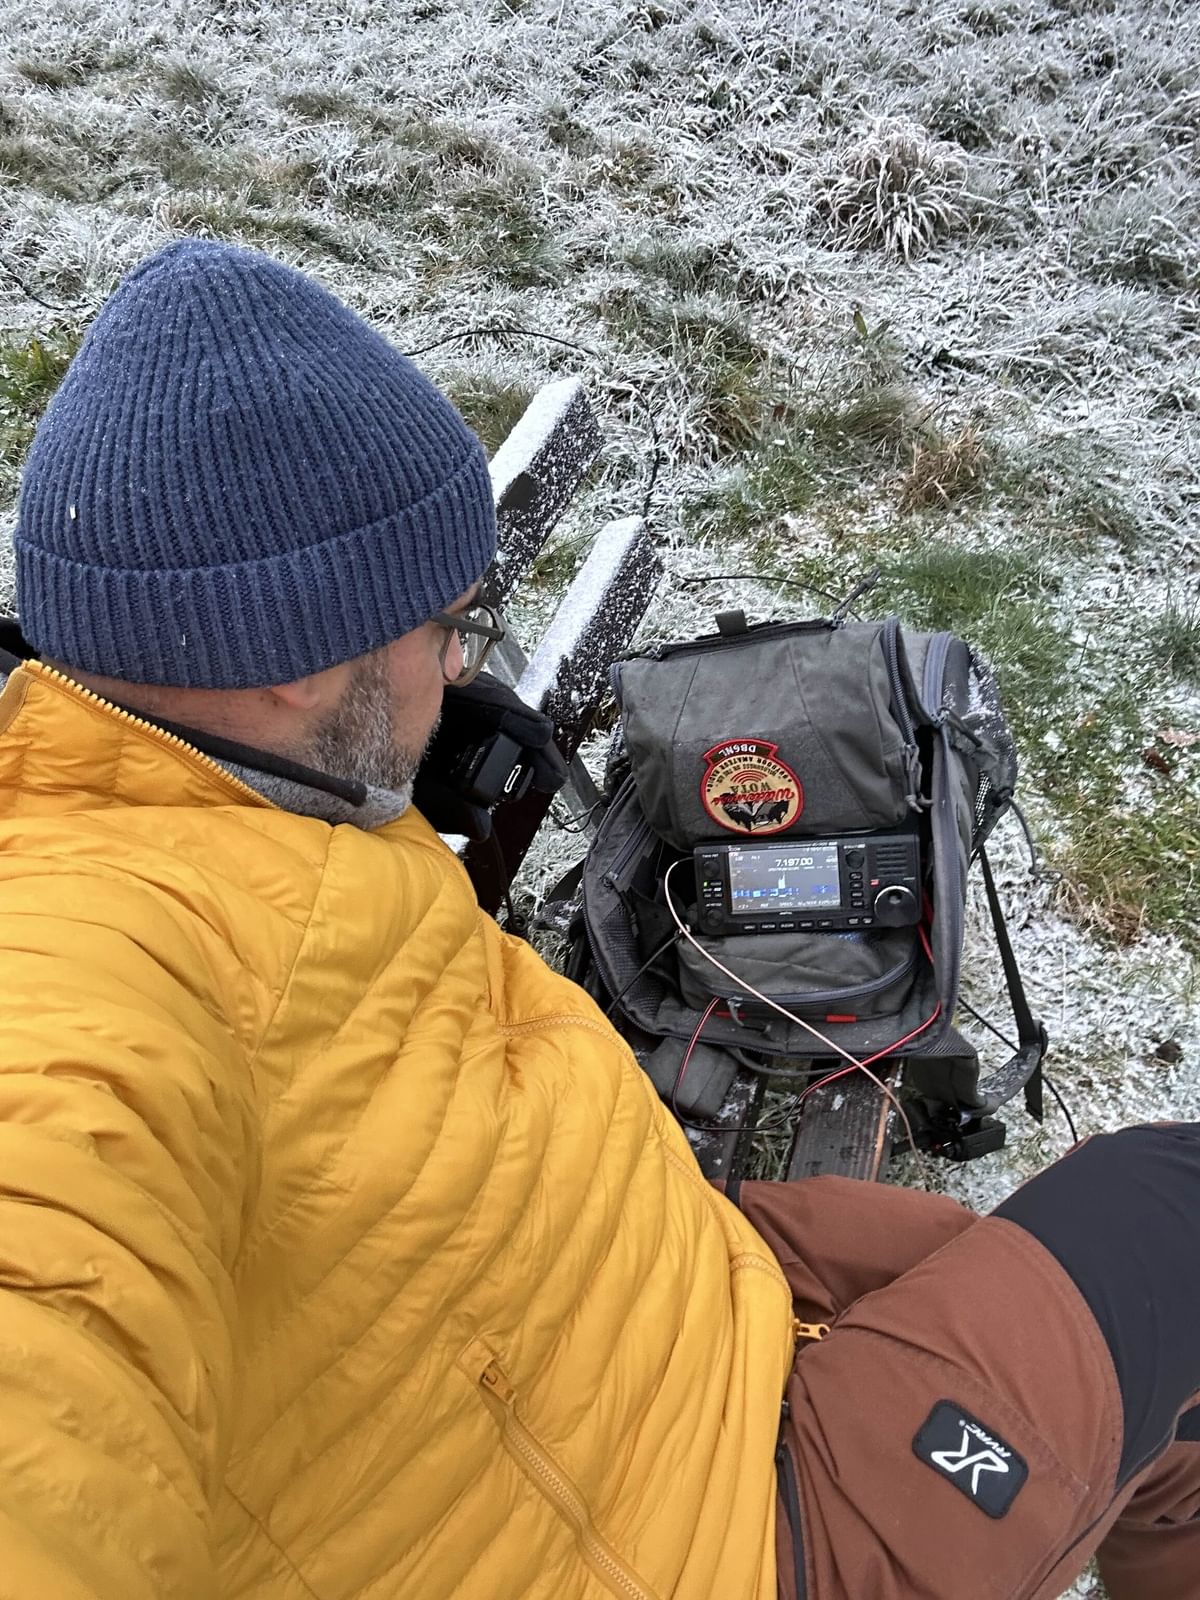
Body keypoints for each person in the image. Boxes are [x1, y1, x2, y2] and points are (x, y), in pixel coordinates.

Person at [0, 239, 1195, 1600]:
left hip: (657, 1304)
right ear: (289, 659)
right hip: (712, 1536)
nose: (464, 665)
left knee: (1102, 1322)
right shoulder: (80, 976)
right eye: (450, 627)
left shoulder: (229, 788)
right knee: (1177, 1219)